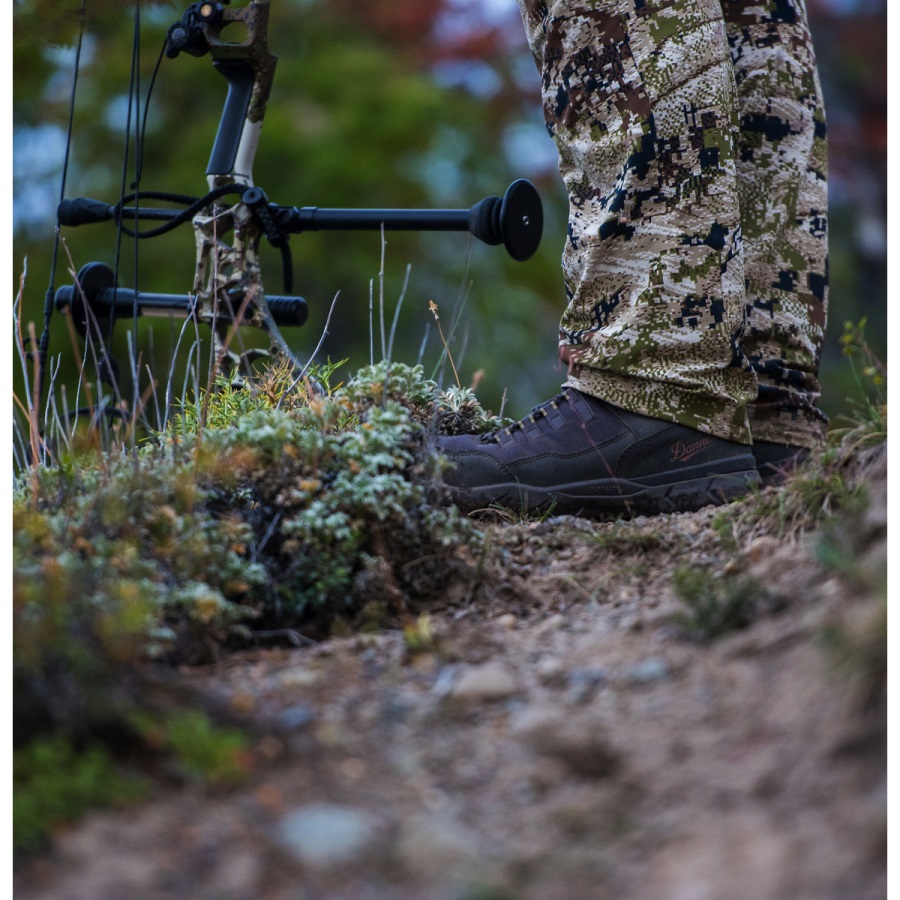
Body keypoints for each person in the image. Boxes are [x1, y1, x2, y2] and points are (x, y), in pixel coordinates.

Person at [436, 0, 828, 517]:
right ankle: (764, 415)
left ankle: (653, 389)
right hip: (746, 405)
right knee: (748, 18)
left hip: (663, 394)